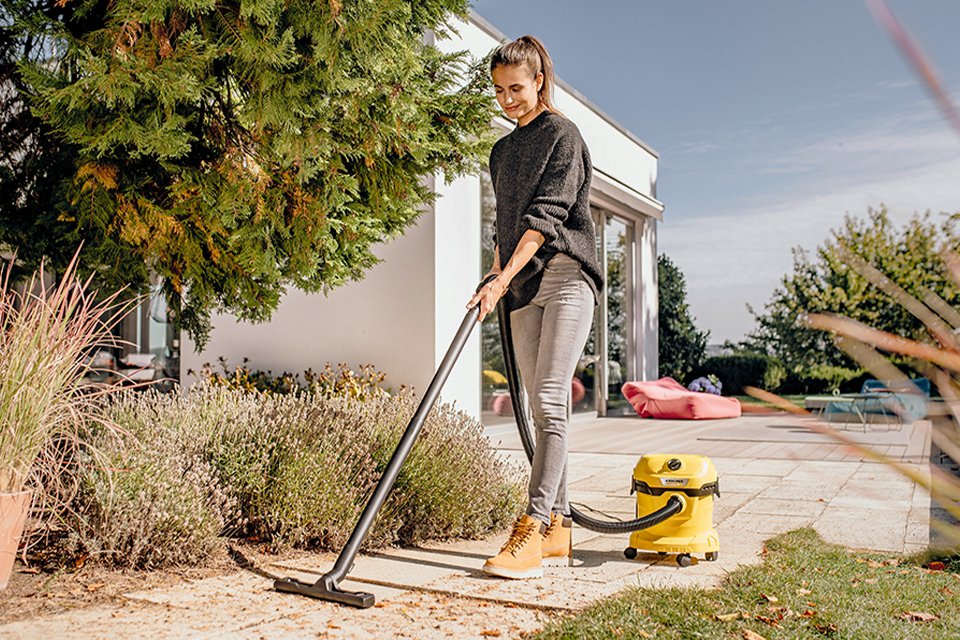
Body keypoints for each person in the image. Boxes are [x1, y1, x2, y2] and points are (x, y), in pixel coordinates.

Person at [467, 35, 603, 579]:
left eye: (517, 88)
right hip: (523, 284)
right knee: (537, 405)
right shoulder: (502, 150)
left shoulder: (563, 136)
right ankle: (560, 530)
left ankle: (533, 525)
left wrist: (503, 278)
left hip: (567, 277)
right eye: (499, 91)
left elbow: (544, 218)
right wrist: (497, 274)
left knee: (549, 401)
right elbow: (506, 223)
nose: (508, 100)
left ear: (540, 80)